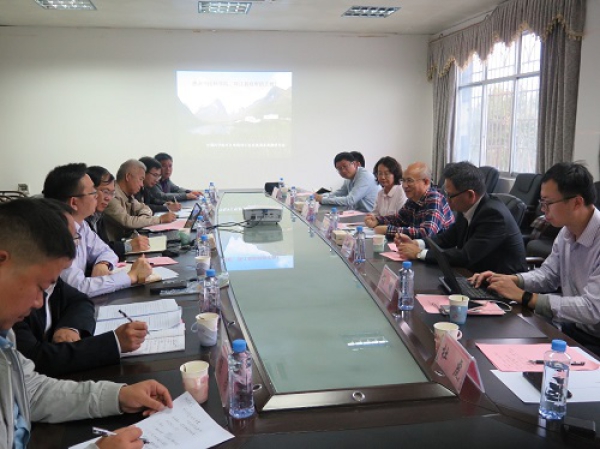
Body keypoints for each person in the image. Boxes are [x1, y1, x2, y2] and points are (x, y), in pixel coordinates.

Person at [0, 198, 173, 449]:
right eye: (39, 286)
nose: (39, 302)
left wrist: (119, 396)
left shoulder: (5, 336)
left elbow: (32, 392)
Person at [473, 162, 600, 354]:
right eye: (542, 202)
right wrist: (513, 280)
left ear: (576, 202)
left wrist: (525, 297)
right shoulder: (566, 232)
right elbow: (548, 275)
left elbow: (592, 309)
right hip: (573, 327)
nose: (542, 210)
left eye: (548, 203)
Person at [13, 199, 148, 377]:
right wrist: (113, 343)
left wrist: (70, 326)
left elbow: (79, 299)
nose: (76, 247)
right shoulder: (15, 296)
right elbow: (35, 361)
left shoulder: (50, 278)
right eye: (71, 240)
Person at [396, 162, 527, 274]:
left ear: (470, 195)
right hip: (474, 275)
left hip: (500, 285)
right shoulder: (467, 206)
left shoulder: (493, 215)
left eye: (450, 195)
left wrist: (419, 253)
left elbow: (466, 256)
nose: (447, 200)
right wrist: (417, 243)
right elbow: (447, 238)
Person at [43, 163, 152, 298]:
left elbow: (106, 250)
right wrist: (131, 276)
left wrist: (103, 263)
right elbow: (79, 288)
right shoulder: (56, 235)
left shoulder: (82, 225)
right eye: (93, 192)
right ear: (74, 202)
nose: (97, 196)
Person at [364, 162, 454, 239]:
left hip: (437, 252)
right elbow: (399, 219)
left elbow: (426, 233)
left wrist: (388, 230)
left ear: (426, 182)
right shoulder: (413, 199)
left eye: (409, 181)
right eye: (403, 180)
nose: (405, 185)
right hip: (417, 248)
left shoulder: (434, 199)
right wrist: (378, 220)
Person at [103, 159, 177, 242]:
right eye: (141, 179)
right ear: (128, 177)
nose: (142, 184)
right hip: (116, 246)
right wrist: (160, 219)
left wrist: (143, 218)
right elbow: (128, 222)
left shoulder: (128, 195)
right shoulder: (111, 196)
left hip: (130, 240)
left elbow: (145, 208)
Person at [87, 165, 150, 260]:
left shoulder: (97, 216)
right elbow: (94, 253)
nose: (108, 198)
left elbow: (104, 246)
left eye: (112, 193)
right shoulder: (81, 221)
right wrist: (128, 246)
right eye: (105, 191)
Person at [314, 152, 379, 213]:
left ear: (354, 164)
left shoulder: (364, 176)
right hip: (359, 212)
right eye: (339, 169)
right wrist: (320, 196)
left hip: (372, 215)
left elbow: (350, 200)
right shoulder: (349, 178)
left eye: (345, 166)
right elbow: (340, 193)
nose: (343, 171)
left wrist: (323, 199)